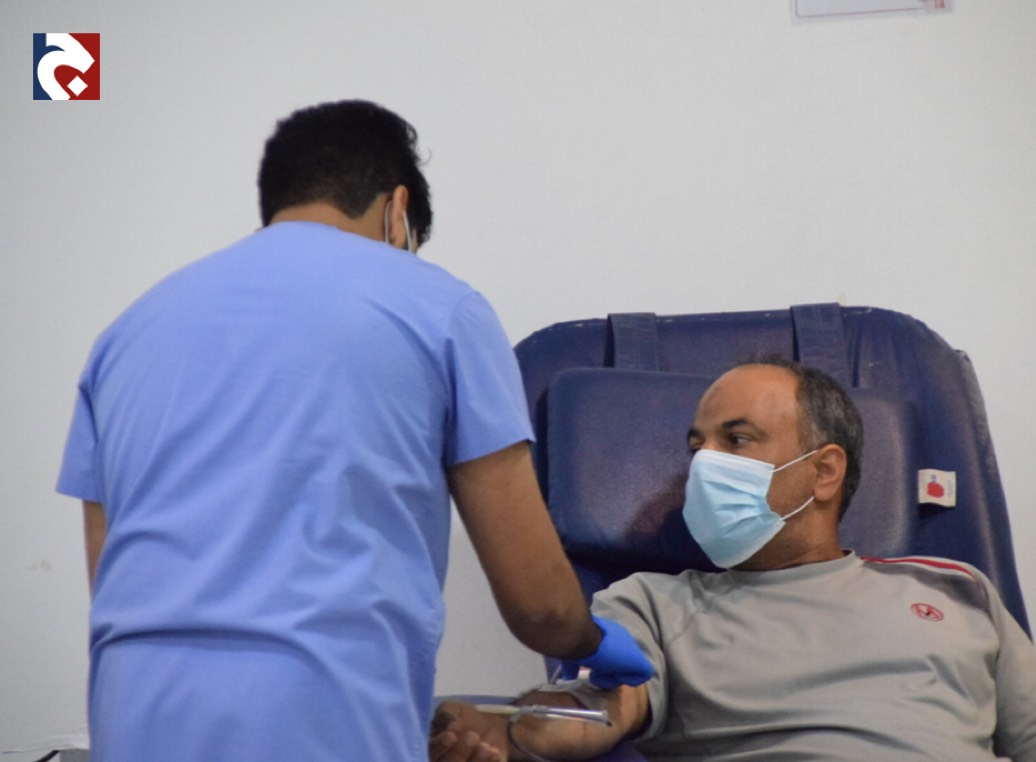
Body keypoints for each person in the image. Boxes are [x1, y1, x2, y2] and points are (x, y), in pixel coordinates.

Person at [56, 99, 651, 762]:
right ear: (398, 212)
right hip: (322, 712)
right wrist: (595, 645)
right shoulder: (440, 308)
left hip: (132, 714)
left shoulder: (127, 333)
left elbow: (111, 574)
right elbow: (538, 605)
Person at [430, 359, 1036, 762]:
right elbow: (599, 710)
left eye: (736, 439)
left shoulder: (957, 591)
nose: (703, 464)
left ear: (824, 471)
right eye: (697, 446)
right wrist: (511, 732)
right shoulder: (654, 604)